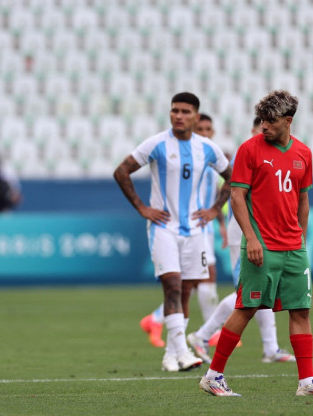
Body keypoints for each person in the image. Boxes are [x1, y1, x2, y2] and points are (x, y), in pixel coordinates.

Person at [199, 90, 313, 397]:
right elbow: (237, 196)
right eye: (262, 120)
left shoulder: (303, 153)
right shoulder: (249, 150)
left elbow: (303, 199)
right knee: (247, 307)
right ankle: (213, 376)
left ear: (288, 121)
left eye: (270, 121)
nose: (263, 126)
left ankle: (307, 382)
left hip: (293, 248)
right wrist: (251, 238)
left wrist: (301, 239)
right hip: (261, 247)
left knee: (301, 311)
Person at [113, 92, 231, 372]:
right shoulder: (157, 143)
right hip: (163, 228)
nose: (178, 115)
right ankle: (183, 350)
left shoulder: (208, 148)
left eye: (185, 111)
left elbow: (233, 177)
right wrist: (142, 207)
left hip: (195, 231)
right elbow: (121, 171)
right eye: (174, 110)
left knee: (186, 291)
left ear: (196, 117)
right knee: (173, 286)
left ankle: (170, 356)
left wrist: (215, 209)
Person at [187, 117, 296, 364]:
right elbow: (235, 192)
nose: (266, 132)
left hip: (262, 231)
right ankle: (203, 335)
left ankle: (270, 348)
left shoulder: (276, 155)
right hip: (245, 232)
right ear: (254, 130)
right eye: (262, 127)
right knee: (248, 291)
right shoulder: (246, 153)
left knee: (262, 289)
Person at [138, 113, 223, 348]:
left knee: (191, 284)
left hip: (204, 227)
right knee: (198, 280)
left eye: (209, 129)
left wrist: (220, 222)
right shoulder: (191, 160)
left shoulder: (210, 159)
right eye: (202, 129)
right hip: (188, 227)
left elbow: (216, 195)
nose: (205, 133)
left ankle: (157, 320)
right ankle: (209, 331)